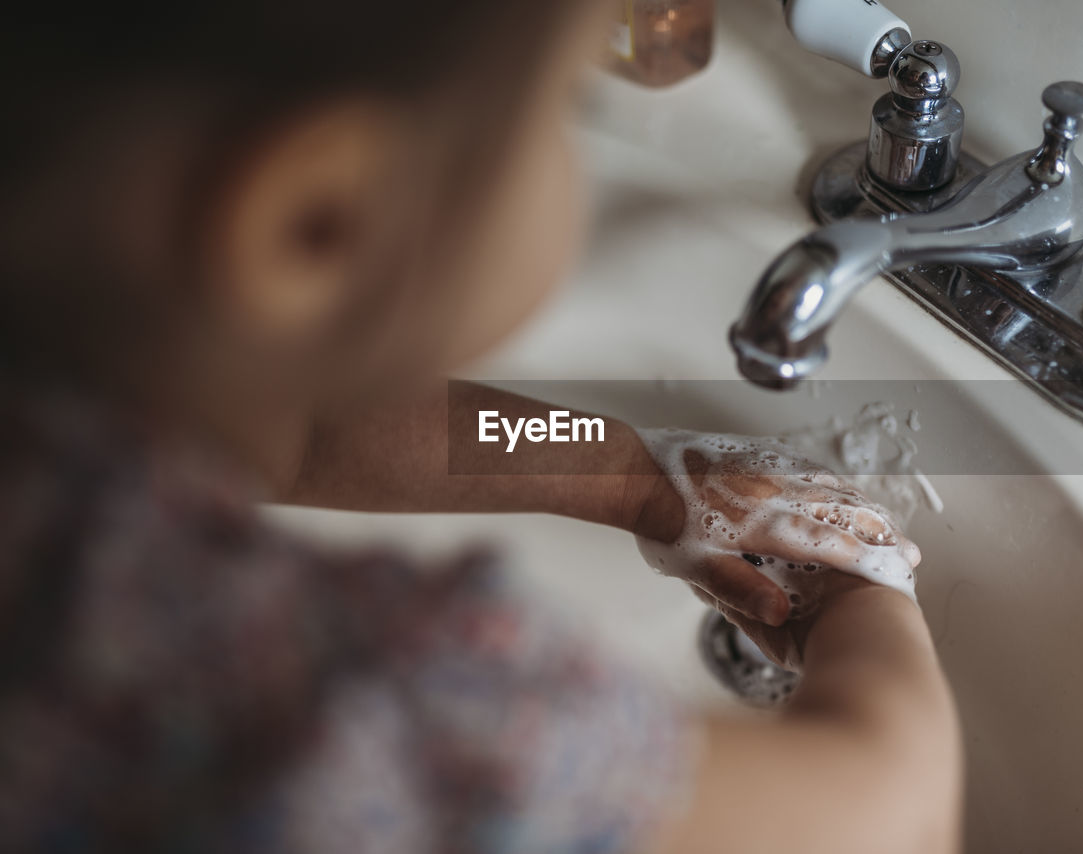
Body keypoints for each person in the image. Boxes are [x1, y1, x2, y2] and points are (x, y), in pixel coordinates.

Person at [0, 2, 962, 852]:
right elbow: (892, 816)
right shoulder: (354, 706)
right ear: (319, 220)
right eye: (569, 108)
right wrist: (862, 589)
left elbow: (303, 432)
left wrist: (628, 478)